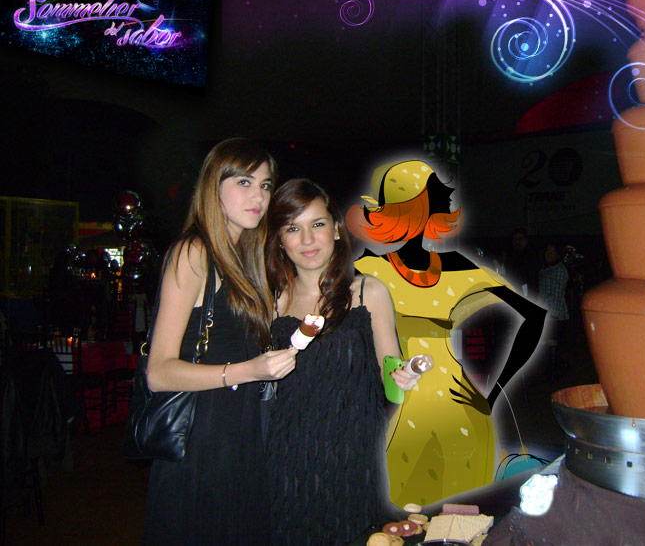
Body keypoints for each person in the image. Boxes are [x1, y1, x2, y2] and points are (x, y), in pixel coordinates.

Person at [348, 159, 547, 506]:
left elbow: (534, 316)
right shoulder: (368, 270)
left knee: (463, 513)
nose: (447, 198)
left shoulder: (456, 266)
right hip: (398, 406)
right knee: (403, 511)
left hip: (461, 409)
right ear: (413, 203)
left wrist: (492, 394)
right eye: (436, 192)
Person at [142, 138, 298, 544]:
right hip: (204, 437)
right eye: (244, 182)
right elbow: (158, 372)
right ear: (214, 186)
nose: (258, 197)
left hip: (241, 430)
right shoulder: (194, 252)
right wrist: (248, 371)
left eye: (265, 185)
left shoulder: (245, 258)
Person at [263, 178, 419, 545]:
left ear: (335, 229)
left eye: (317, 224)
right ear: (280, 240)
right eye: (292, 228)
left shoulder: (367, 292)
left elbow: (390, 372)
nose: (307, 239)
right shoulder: (273, 301)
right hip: (291, 459)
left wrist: (403, 376)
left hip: (355, 459)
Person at [538, 243, 570, 379]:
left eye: (552, 252)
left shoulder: (559, 270)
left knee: (552, 342)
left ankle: (554, 373)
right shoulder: (545, 269)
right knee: (545, 342)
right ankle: (552, 371)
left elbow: (557, 294)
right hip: (545, 312)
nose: (548, 254)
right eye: (547, 251)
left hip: (554, 313)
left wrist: (553, 315)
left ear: (558, 255)